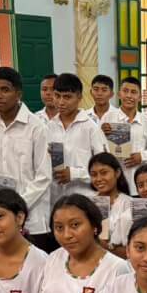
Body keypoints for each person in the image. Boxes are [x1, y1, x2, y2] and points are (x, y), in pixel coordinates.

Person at [0, 66, 52, 250]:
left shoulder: (37, 127)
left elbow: (44, 176)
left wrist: (16, 206)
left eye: (5, 90)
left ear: (18, 94)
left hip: (31, 218)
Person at [46, 72, 108, 202]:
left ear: (79, 97)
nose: (61, 102)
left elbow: (105, 168)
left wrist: (74, 174)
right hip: (56, 198)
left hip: (85, 197)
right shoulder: (48, 127)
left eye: (67, 97)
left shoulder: (91, 128)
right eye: (57, 96)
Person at [102, 76, 147, 192]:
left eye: (133, 92)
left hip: (141, 184)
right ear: (119, 94)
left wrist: (142, 156)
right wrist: (104, 136)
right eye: (125, 91)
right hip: (115, 182)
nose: (129, 96)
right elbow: (99, 148)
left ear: (140, 97)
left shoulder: (146, 121)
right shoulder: (108, 118)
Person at [89, 152, 133, 257]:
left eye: (104, 173)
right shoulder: (86, 203)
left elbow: (132, 250)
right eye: (94, 174)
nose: (98, 179)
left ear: (117, 173)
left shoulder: (130, 204)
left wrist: (105, 245)